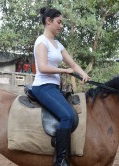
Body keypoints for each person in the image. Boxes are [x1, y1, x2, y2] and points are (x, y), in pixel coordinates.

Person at [31, 7, 89, 166]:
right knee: (68, 116)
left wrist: (83, 74)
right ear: (48, 21)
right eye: (59, 22)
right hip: (43, 86)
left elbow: (72, 63)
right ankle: (61, 160)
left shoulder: (57, 44)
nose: (61, 26)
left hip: (54, 88)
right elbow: (42, 67)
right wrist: (64, 70)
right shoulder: (41, 41)